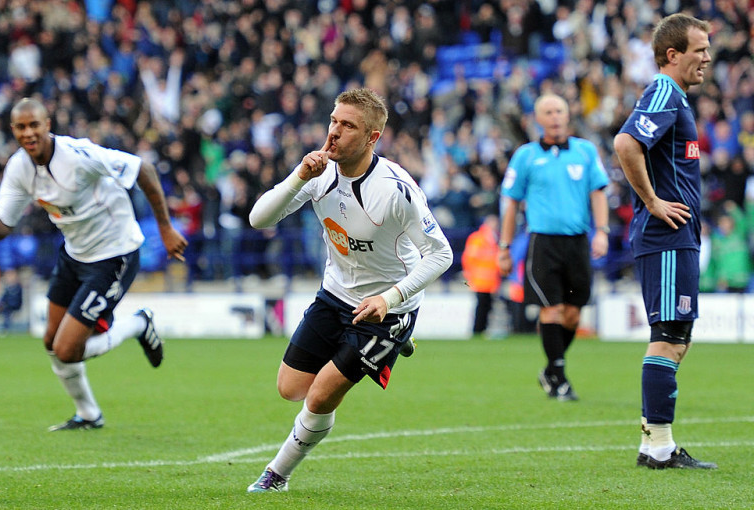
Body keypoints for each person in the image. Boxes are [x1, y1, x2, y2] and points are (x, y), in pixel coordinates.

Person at [246, 88, 453, 492]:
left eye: (347, 126)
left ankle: (276, 474)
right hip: (335, 294)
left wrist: (389, 299)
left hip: (387, 309)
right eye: (333, 121)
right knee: (291, 388)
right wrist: (298, 177)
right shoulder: (318, 172)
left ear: (372, 137)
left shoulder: (396, 189)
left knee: (321, 396)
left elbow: (441, 254)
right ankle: (395, 349)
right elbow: (258, 219)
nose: (334, 132)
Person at [0, 98, 188, 431]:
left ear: (47, 124)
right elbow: (4, 224)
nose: (29, 133)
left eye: (34, 125)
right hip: (74, 255)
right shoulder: (19, 167)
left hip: (115, 255)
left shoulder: (78, 155)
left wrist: (165, 228)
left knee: (67, 350)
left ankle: (138, 325)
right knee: (51, 343)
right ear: (13, 131)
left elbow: (141, 168)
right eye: (21, 127)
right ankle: (88, 414)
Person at [613, 13, 717, 470]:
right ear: (672, 55)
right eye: (700, 49)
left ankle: (658, 442)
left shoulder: (677, 98)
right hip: (667, 236)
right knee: (669, 337)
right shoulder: (663, 91)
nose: (708, 58)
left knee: (679, 336)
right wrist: (654, 202)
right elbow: (625, 143)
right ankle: (656, 448)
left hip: (680, 236)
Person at [498, 93, 610, 401]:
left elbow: (599, 194)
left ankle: (550, 369)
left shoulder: (586, 152)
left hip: (577, 242)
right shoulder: (525, 156)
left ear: (568, 113)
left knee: (573, 314)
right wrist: (504, 246)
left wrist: (602, 231)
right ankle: (559, 378)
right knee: (551, 309)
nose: (555, 116)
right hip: (543, 243)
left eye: (560, 110)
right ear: (538, 119)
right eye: (548, 111)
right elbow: (511, 203)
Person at [461, 214, 502, 339]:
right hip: (480, 279)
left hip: (490, 280)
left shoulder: (493, 238)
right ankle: (478, 330)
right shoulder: (479, 238)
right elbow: (469, 258)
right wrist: (469, 275)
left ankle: (482, 329)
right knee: (482, 306)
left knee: (486, 305)